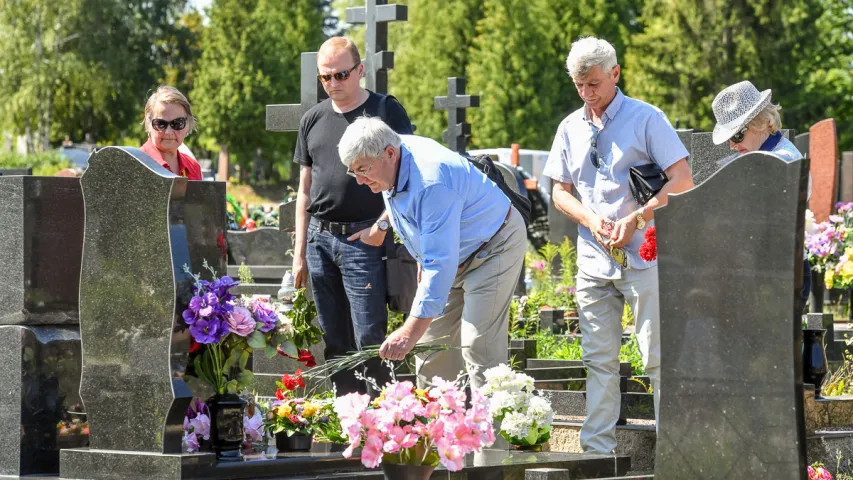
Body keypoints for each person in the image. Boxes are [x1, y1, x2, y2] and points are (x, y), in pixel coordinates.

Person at [542, 36, 694, 455]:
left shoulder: (647, 119)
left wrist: (637, 218)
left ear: (615, 74)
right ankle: (596, 453)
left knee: (658, 357)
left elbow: (683, 182)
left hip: (644, 254)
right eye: (579, 85)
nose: (587, 93)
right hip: (594, 258)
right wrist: (591, 220)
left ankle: (673, 452)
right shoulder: (570, 127)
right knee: (598, 360)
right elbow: (559, 192)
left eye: (593, 83)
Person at [336, 116, 527, 390]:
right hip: (454, 253)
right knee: (430, 351)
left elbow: (440, 264)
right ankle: (441, 431)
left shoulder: (432, 179)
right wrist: (420, 254)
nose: (360, 180)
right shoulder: (389, 159)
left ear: (389, 153)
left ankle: (496, 431)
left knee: (479, 347)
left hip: (493, 246)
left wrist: (407, 334)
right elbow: (405, 208)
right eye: (353, 172)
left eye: (363, 170)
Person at [292, 37, 413, 395]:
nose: (333, 84)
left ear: (360, 71)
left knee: (369, 338)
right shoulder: (312, 119)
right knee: (334, 339)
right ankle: (345, 418)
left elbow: (409, 176)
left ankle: (379, 422)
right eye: (326, 77)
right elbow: (304, 190)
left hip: (365, 238)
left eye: (341, 74)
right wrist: (299, 253)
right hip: (320, 238)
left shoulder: (386, 110)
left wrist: (381, 226)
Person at [711, 80, 809, 308]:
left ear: (762, 123)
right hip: (756, 271)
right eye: (729, 138)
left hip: (778, 273)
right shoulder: (757, 157)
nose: (732, 146)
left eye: (736, 136)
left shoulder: (783, 159)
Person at [141, 86, 202, 180]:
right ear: (148, 124)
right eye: (161, 124)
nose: (169, 132)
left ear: (188, 124)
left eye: (177, 123)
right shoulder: (135, 163)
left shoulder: (193, 167)